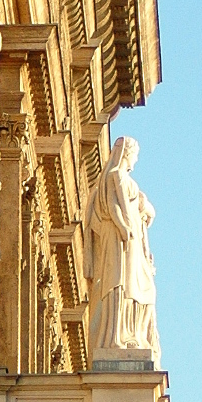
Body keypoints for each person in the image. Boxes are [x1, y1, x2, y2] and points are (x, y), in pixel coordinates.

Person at [83, 133, 160, 363]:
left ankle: (131, 333)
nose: (136, 159)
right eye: (135, 154)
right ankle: (115, 335)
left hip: (130, 237)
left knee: (140, 287)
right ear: (127, 153)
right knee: (119, 282)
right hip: (119, 238)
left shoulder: (123, 179)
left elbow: (139, 208)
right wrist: (124, 227)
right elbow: (116, 206)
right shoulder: (115, 175)